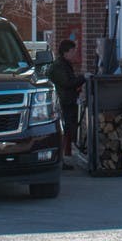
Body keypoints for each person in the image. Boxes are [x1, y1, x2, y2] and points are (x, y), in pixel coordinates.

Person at [46, 39, 86, 167]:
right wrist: (83, 78)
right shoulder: (59, 66)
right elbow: (67, 83)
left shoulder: (64, 65)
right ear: (65, 52)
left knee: (68, 130)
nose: (74, 53)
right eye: (72, 51)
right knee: (64, 131)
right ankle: (60, 160)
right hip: (62, 103)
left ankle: (63, 157)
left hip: (66, 102)